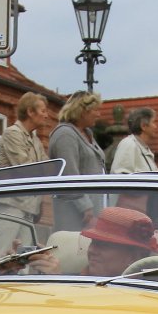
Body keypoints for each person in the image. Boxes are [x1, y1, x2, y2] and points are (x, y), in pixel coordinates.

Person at [0, 92, 56, 242]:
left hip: (28, 206)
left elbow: (49, 168)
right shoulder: (12, 133)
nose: (46, 115)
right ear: (30, 112)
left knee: (26, 253)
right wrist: (44, 170)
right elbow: (26, 168)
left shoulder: (35, 140)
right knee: (3, 251)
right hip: (10, 205)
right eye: (43, 111)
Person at [47, 92, 107, 231]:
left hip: (93, 210)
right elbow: (69, 173)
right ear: (82, 111)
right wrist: (85, 206)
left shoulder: (86, 134)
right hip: (77, 214)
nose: (98, 114)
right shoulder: (65, 135)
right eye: (95, 110)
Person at [80, 207, 158, 278]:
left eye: (103, 245)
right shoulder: (73, 283)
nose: (92, 250)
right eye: (93, 242)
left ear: (133, 257)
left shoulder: (154, 288)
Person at [109, 108, 158, 175]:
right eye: (153, 122)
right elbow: (120, 175)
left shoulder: (142, 147)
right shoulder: (129, 144)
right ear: (143, 126)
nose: (156, 126)